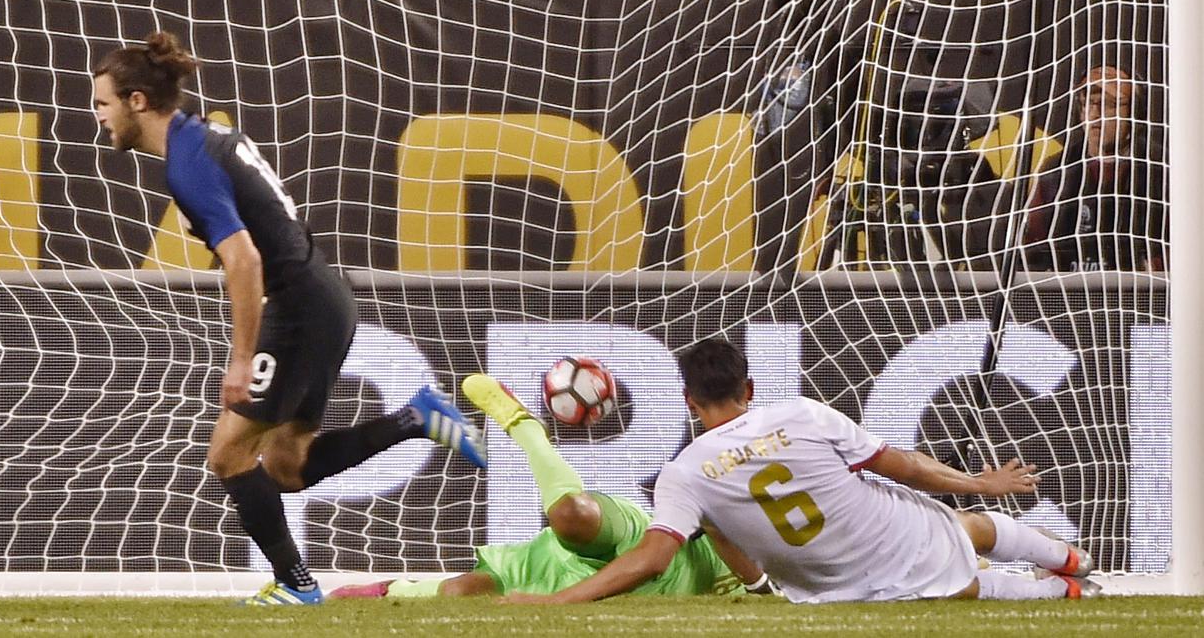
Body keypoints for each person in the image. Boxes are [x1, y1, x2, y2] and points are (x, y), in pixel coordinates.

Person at [92, 31, 488, 606]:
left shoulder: (187, 164)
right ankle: (416, 418)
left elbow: (245, 260)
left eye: (103, 102)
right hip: (324, 296)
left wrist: (241, 360)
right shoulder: (205, 136)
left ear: (137, 101)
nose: (98, 116)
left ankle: (297, 585)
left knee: (227, 454)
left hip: (298, 307)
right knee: (287, 466)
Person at [504, 338, 1100, 606]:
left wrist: (560, 601)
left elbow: (652, 558)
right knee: (966, 526)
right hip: (896, 533)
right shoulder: (802, 413)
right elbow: (904, 467)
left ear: (688, 402)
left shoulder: (683, 475)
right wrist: (981, 482)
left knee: (962, 587)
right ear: (749, 389)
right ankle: (1073, 562)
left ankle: (1066, 591)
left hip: (835, 591)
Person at [331, 374, 760, 600]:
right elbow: (669, 549)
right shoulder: (740, 475)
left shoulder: (782, 577)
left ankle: (395, 590)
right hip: (652, 546)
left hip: (629, 585)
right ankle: (526, 428)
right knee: (572, 515)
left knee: (461, 592)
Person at [1024, 64, 1168, 272]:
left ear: (1135, 114)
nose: (1095, 114)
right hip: (1067, 289)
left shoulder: (1161, 172)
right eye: (1088, 103)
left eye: (1109, 104)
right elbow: (1031, 255)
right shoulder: (1056, 173)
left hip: (1139, 290)